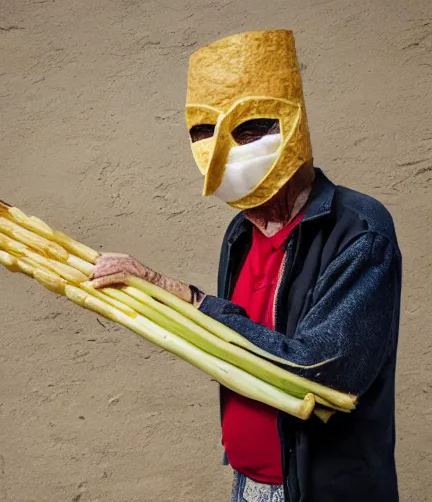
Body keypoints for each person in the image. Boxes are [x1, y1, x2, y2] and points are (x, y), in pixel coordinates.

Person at [91, 31, 402, 502]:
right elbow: (236, 351)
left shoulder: (358, 230)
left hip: (321, 492)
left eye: (251, 127)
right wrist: (153, 302)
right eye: (202, 131)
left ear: (292, 122)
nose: (223, 150)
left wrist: (187, 300)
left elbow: (319, 370)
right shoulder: (240, 234)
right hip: (248, 484)